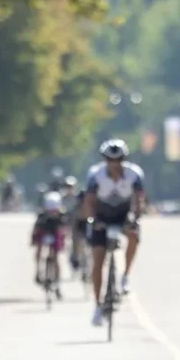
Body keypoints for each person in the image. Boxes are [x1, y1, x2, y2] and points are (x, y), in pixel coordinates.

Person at [81, 138, 145, 326]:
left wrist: (136, 217)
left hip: (123, 215)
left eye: (118, 160)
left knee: (134, 234)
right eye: (110, 160)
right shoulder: (95, 175)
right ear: (104, 160)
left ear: (124, 159)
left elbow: (139, 200)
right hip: (102, 216)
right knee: (98, 259)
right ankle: (97, 306)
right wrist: (92, 220)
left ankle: (125, 276)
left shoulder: (134, 174)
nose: (115, 164)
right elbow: (89, 201)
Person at [32, 190, 67, 291]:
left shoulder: (62, 215)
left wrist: (63, 239)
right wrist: (34, 239)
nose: (52, 212)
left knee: (56, 258)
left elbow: (64, 229)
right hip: (44, 233)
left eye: (54, 210)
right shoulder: (42, 215)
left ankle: (57, 281)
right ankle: (38, 270)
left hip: (55, 234)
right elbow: (36, 229)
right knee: (38, 249)